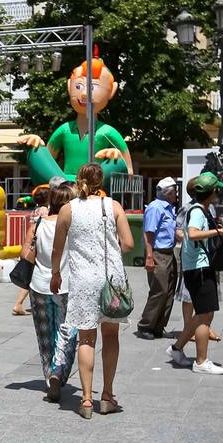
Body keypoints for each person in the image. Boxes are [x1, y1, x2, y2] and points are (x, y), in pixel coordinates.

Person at [50, 164, 133, 418]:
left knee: (86, 338)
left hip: (83, 280)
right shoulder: (113, 206)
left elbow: (57, 249)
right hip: (111, 280)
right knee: (111, 337)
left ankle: (86, 400)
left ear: (78, 181)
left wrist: (56, 273)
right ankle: (107, 395)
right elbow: (128, 244)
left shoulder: (68, 210)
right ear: (101, 181)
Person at [168, 172, 223, 375]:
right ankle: (201, 361)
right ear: (213, 191)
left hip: (198, 268)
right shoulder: (196, 211)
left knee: (203, 313)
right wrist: (218, 232)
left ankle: (176, 349)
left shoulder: (202, 210)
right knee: (205, 316)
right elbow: (193, 233)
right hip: (199, 269)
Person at [30, 183, 74, 401]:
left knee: (45, 335)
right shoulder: (73, 225)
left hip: (38, 284)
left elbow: (24, 251)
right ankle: (59, 372)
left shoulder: (38, 222)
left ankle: (49, 376)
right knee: (67, 331)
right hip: (66, 285)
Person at [137, 177, 180, 339]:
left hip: (168, 252)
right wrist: (149, 256)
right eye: (174, 191)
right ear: (168, 193)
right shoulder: (156, 208)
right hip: (157, 253)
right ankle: (145, 325)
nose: (176, 194)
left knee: (169, 290)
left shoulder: (169, 208)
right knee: (159, 290)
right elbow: (149, 233)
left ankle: (159, 326)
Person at [12, 187, 50, 317]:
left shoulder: (34, 211)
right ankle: (19, 303)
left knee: (31, 275)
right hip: (40, 247)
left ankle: (20, 303)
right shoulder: (45, 211)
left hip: (32, 246)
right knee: (31, 276)